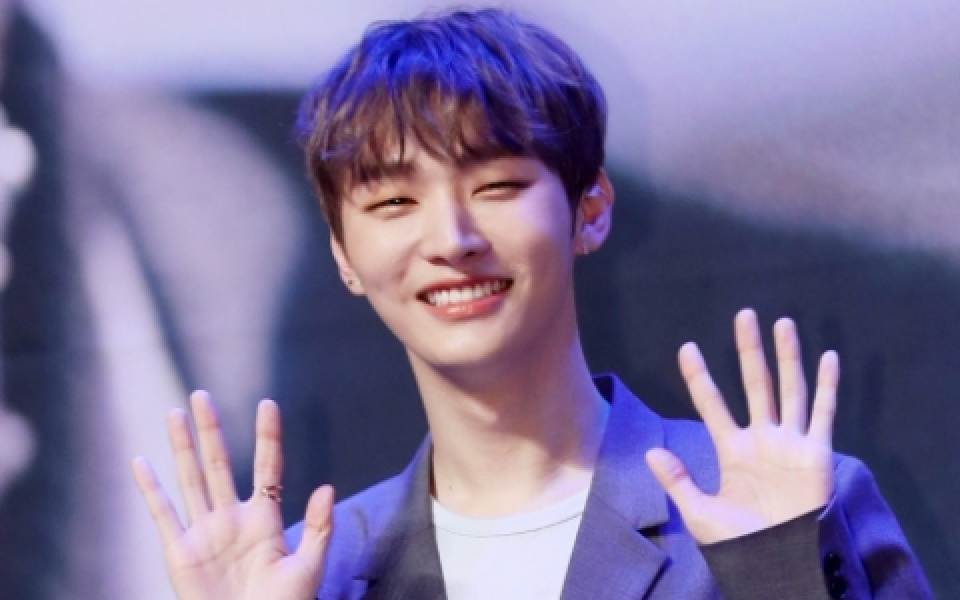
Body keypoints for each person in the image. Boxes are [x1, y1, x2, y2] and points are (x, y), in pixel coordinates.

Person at [131, 8, 931, 599]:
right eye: (394, 203)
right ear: (343, 255)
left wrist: (783, 577)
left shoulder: (778, 509)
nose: (452, 238)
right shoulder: (315, 573)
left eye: (497, 186)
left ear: (590, 208)